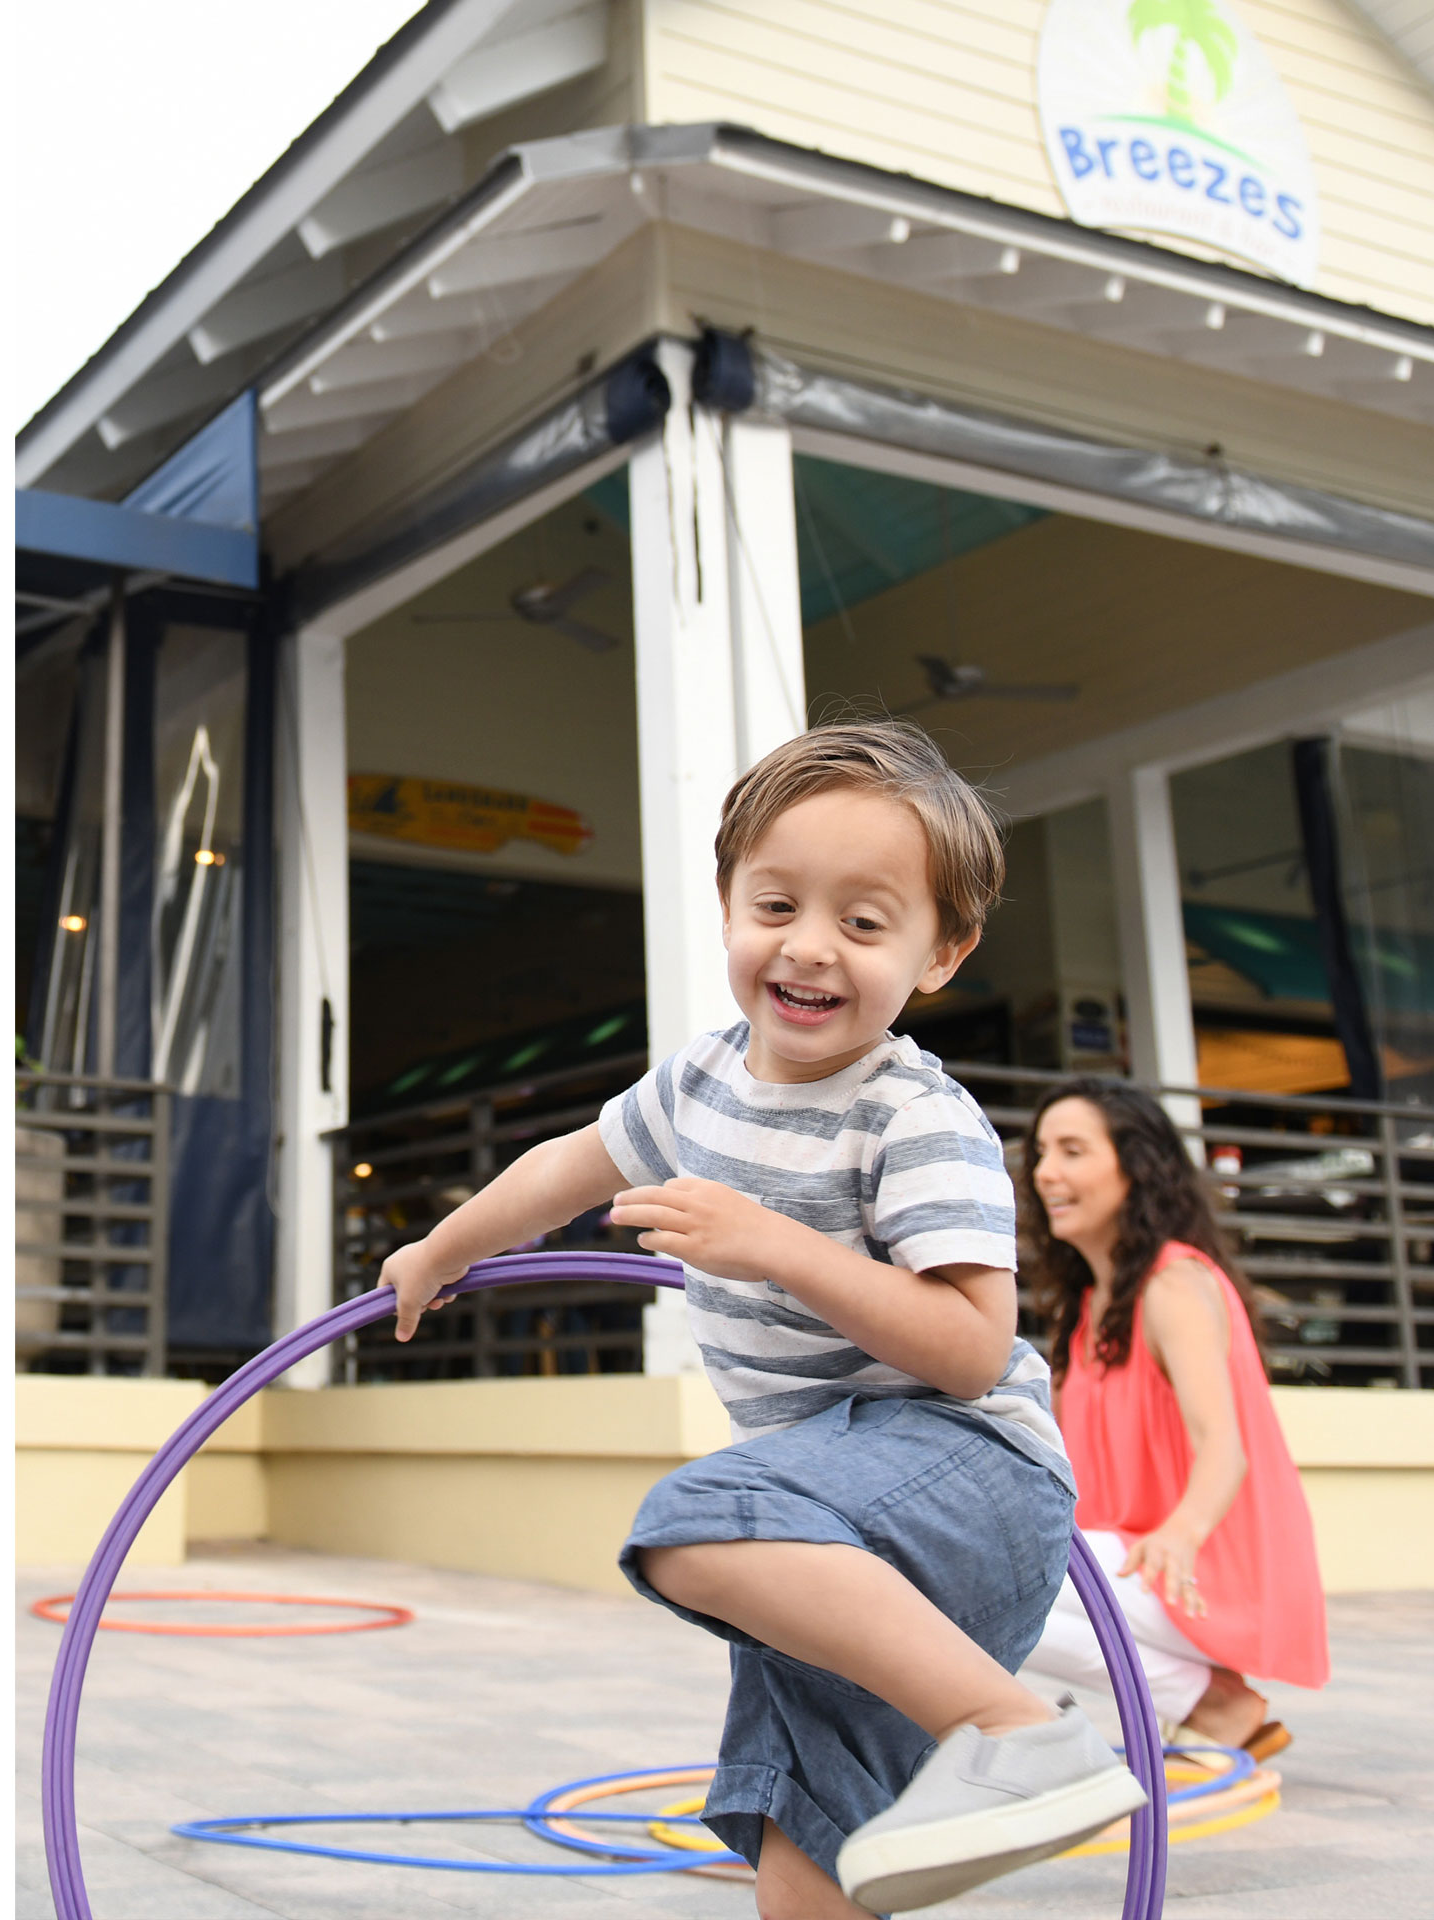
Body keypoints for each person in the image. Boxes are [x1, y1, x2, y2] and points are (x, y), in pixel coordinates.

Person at [384, 721, 1139, 1917]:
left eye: (865, 922)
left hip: (963, 1475)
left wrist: (773, 1246)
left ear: (942, 954)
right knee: (799, 1836)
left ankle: (1019, 1731)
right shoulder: (701, 1081)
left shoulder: (913, 1117)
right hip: (832, 1528)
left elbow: (971, 1349)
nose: (809, 948)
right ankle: (968, 1754)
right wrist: (439, 1248)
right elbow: (565, 1167)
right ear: (728, 903)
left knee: (694, 1523)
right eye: (776, 904)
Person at [1015, 1076, 1326, 1757]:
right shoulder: (1087, 1309)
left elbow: (1225, 1447)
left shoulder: (1173, 1284)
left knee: (979, 1572)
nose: (1046, 1173)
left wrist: (1182, 1533)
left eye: (1072, 1151)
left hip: (1202, 1565)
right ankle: (1208, 1702)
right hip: (1137, 1562)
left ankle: (1210, 1704)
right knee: (963, 1567)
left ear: (1137, 1166)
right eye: (1041, 1152)